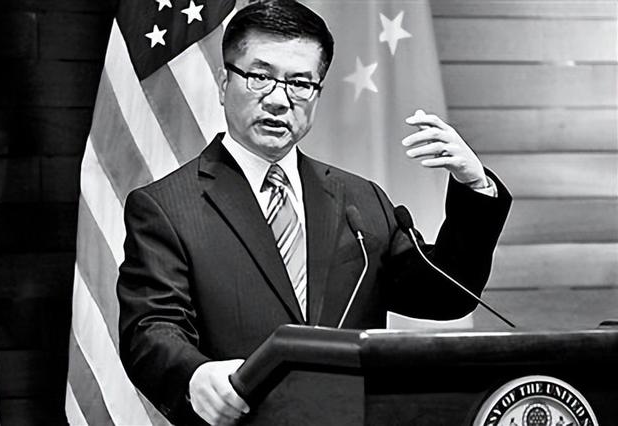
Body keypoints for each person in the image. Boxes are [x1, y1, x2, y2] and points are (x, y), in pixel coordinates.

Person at [117, 0, 512, 424]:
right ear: (223, 82)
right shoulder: (165, 207)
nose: (278, 100)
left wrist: (475, 187)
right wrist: (194, 374)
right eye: (259, 77)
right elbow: (151, 328)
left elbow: (447, 294)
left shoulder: (359, 200)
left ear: (318, 92)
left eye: (300, 83)